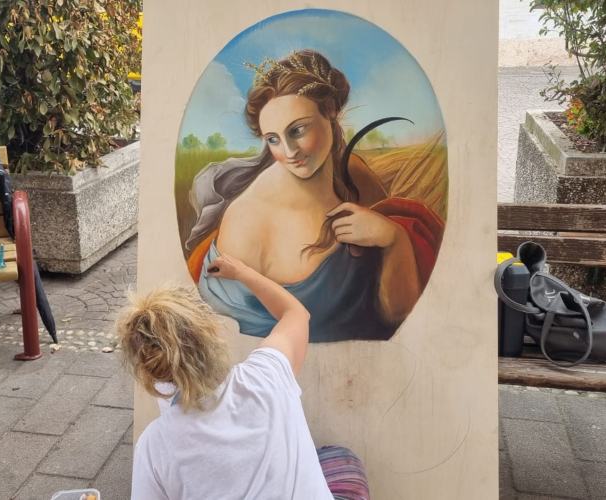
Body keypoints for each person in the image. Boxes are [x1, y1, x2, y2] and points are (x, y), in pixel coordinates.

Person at [184, 49, 445, 343]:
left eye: (298, 130)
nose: (289, 152)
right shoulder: (247, 219)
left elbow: (397, 315)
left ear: (330, 110)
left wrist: (393, 239)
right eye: (273, 139)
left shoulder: (355, 175)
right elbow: (231, 337)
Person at [117, 253, 370, 500]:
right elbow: (296, 313)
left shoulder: (154, 446)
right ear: (214, 332)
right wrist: (243, 272)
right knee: (342, 459)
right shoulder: (268, 374)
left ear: (150, 371)